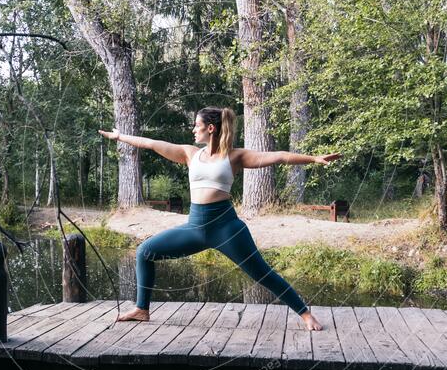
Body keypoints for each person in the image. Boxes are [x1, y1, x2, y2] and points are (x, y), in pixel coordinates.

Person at [98, 106, 341, 331]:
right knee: (145, 252)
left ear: (210, 128)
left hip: (227, 228)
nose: (193, 129)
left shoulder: (235, 156)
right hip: (195, 228)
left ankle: (306, 314)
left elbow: (278, 156)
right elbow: (151, 143)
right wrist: (120, 137)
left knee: (262, 274)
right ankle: (142, 309)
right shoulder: (189, 153)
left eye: (197, 125)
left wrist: (314, 159)